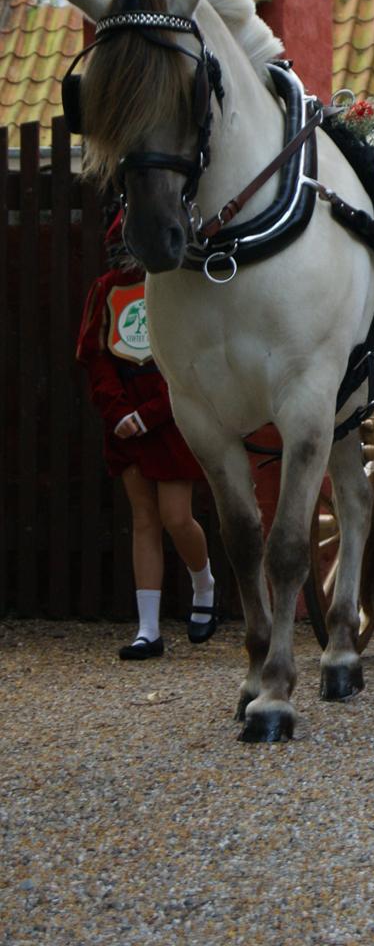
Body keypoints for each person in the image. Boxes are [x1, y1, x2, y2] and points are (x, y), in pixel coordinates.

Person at [77, 217, 218, 659]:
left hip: (168, 415)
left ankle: (203, 584)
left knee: (177, 516)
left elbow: (186, 358)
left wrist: (151, 412)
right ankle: (149, 630)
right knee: (143, 520)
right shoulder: (105, 288)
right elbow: (95, 355)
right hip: (125, 420)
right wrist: (118, 411)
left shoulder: (173, 288)